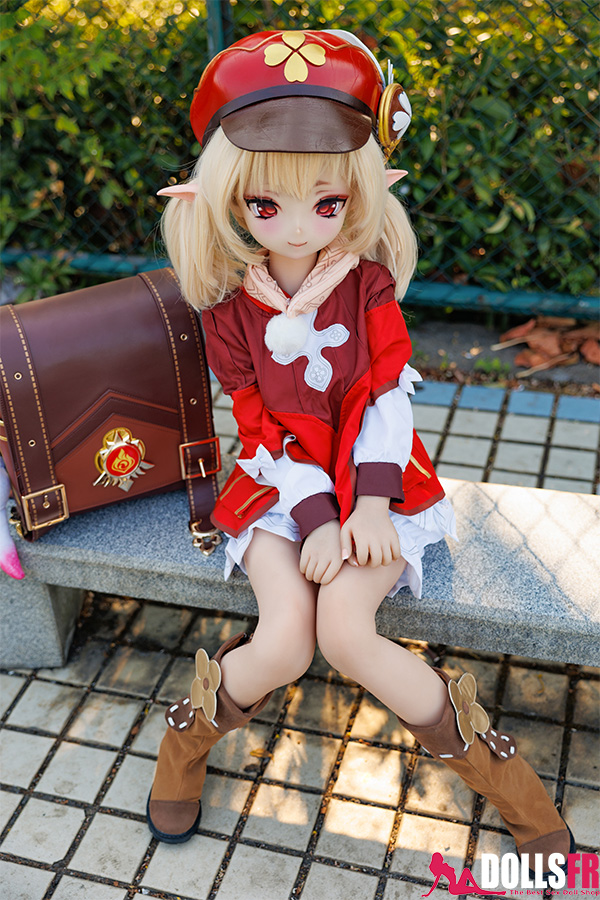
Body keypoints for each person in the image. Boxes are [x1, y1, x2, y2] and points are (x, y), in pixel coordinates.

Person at [146, 29, 573, 875]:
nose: (297, 225)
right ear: (228, 200)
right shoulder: (229, 311)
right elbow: (258, 427)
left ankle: (505, 778)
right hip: (281, 491)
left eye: (326, 202)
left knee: (346, 630)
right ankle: (184, 743)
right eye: (265, 205)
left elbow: (385, 394)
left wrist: (368, 504)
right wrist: (315, 516)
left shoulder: (366, 284)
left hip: (376, 484)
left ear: (359, 194)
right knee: (284, 642)